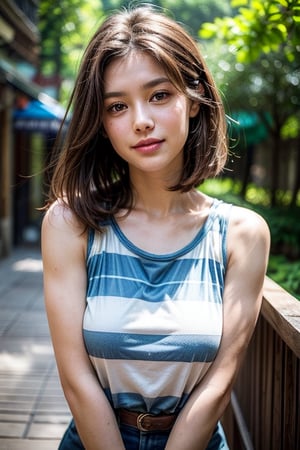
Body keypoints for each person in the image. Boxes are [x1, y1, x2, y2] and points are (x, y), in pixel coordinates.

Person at [41, 5, 270, 450]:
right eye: (118, 106)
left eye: (159, 95)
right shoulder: (71, 224)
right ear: (103, 124)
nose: (141, 119)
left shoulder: (242, 234)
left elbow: (219, 384)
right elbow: (76, 380)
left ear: (195, 96)